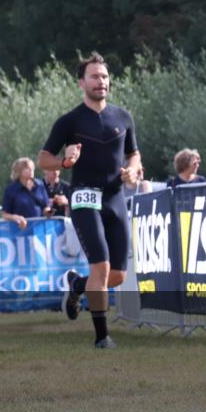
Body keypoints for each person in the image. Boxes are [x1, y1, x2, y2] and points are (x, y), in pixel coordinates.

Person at [38, 52, 141, 349]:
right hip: (84, 196)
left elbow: (134, 153)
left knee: (117, 276)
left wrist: (132, 170)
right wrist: (65, 162)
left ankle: (78, 285)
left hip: (115, 197)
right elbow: (43, 159)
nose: (101, 81)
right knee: (101, 267)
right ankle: (102, 337)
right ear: (81, 83)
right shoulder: (69, 121)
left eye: (105, 76)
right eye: (94, 76)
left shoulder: (123, 117)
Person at [1, 157, 51, 229]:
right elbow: (5, 214)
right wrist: (15, 217)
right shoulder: (11, 190)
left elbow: (46, 205)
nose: (31, 170)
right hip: (19, 230)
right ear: (19, 171)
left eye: (32, 168)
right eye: (27, 168)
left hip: (39, 229)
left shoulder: (39, 185)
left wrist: (48, 211)